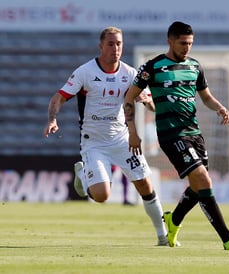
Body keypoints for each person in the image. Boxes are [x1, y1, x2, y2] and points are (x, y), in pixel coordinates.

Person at [124, 21, 229, 251]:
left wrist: (220, 107)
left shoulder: (195, 66)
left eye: (190, 43)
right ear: (170, 41)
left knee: (197, 186)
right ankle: (227, 239)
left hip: (194, 133)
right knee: (203, 180)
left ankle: (173, 222)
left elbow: (206, 97)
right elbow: (129, 98)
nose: (187, 48)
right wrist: (133, 132)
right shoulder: (152, 67)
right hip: (170, 134)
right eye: (183, 43)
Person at [43, 26, 169, 246]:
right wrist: (52, 119)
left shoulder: (130, 74)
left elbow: (149, 103)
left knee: (146, 187)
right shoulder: (86, 72)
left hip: (122, 140)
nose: (115, 48)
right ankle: (83, 175)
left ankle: (163, 236)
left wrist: (153, 103)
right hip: (94, 142)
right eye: (110, 44)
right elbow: (58, 97)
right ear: (101, 46)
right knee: (101, 196)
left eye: (119, 44)